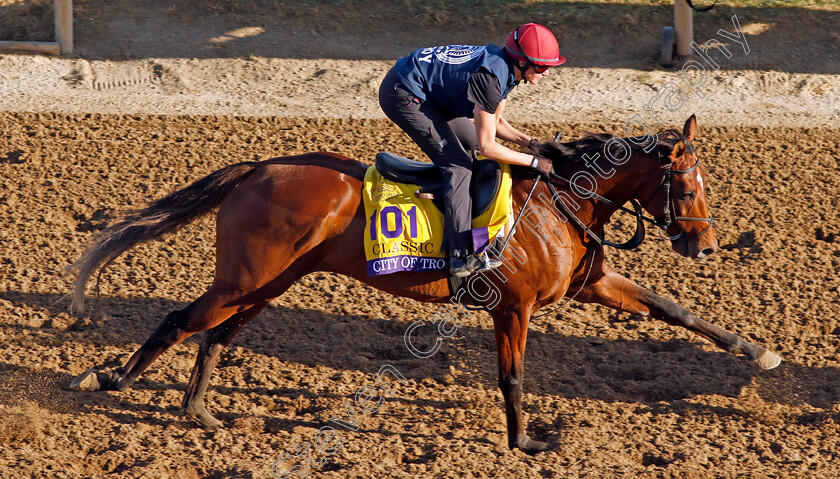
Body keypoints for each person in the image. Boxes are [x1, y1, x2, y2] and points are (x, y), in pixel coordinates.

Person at [379, 23, 565, 278]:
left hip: (428, 92)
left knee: (471, 144)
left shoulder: (505, 69)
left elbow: (496, 123)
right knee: (458, 166)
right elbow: (489, 147)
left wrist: (533, 143)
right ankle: (459, 256)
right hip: (403, 92)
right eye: (542, 66)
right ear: (522, 62)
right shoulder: (490, 80)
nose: (546, 73)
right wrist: (534, 162)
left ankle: (467, 221)